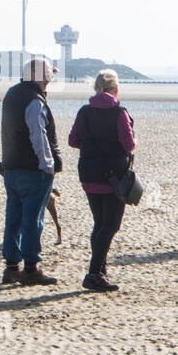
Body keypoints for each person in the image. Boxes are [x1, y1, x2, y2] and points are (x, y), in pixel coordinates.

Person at [68, 69, 136, 291]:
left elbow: (73, 140)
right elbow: (129, 145)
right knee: (110, 225)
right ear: (115, 89)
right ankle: (94, 272)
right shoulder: (119, 112)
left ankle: (100, 270)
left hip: (89, 173)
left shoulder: (84, 111)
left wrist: (90, 147)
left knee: (100, 224)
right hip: (113, 176)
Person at [0, 57, 62, 285]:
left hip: (11, 167)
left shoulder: (11, 95)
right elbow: (38, 134)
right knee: (33, 220)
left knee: (13, 217)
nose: (51, 79)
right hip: (32, 170)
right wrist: (47, 164)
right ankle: (31, 268)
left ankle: (11, 267)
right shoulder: (34, 100)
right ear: (43, 77)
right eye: (49, 75)